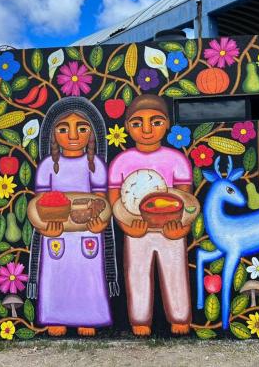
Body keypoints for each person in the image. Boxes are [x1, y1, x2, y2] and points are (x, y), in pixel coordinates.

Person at [27, 96, 119, 337]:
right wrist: (45, 229)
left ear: (92, 133)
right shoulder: (48, 166)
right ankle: (57, 316)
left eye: (82, 128)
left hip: (88, 232)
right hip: (56, 232)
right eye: (63, 128)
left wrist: (100, 223)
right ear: (52, 134)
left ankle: (87, 317)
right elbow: (38, 203)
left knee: (87, 276)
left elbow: (102, 200)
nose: (73, 135)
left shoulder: (95, 165)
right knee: (57, 276)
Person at [108, 94, 192, 336]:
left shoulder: (177, 160)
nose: (146, 130)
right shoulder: (122, 161)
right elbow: (115, 198)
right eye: (137, 123)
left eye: (155, 122)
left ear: (166, 124)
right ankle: (140, 319)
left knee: (175, 272)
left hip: (170, 229)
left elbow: (186, 199)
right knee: (137, 273)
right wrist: (126, 226)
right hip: (136, 228)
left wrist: (182, 226)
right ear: (127, 127)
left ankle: (180, 317)